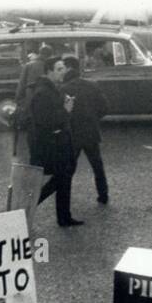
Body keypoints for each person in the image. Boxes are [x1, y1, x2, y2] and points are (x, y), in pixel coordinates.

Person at [29, 56, 83, 228]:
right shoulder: (43, 92)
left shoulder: (51, 88)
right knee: (60, 179)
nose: (63, 72)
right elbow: (46, 121)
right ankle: (27, 208)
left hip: (59, 142)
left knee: (62, 179)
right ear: (49, 71)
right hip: (52, 145)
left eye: (63, 68)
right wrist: (66, 111)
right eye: (59, 69)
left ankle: (64, 217)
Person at [61, 55, 109, 206]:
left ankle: (65, 198)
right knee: (97, 165)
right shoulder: (92, 85)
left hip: (73, 133)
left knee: (69, 167)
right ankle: (103, 195)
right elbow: (104, 107)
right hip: (91, 131)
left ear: (68, 68)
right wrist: (94, 118)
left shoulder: (63, 89)